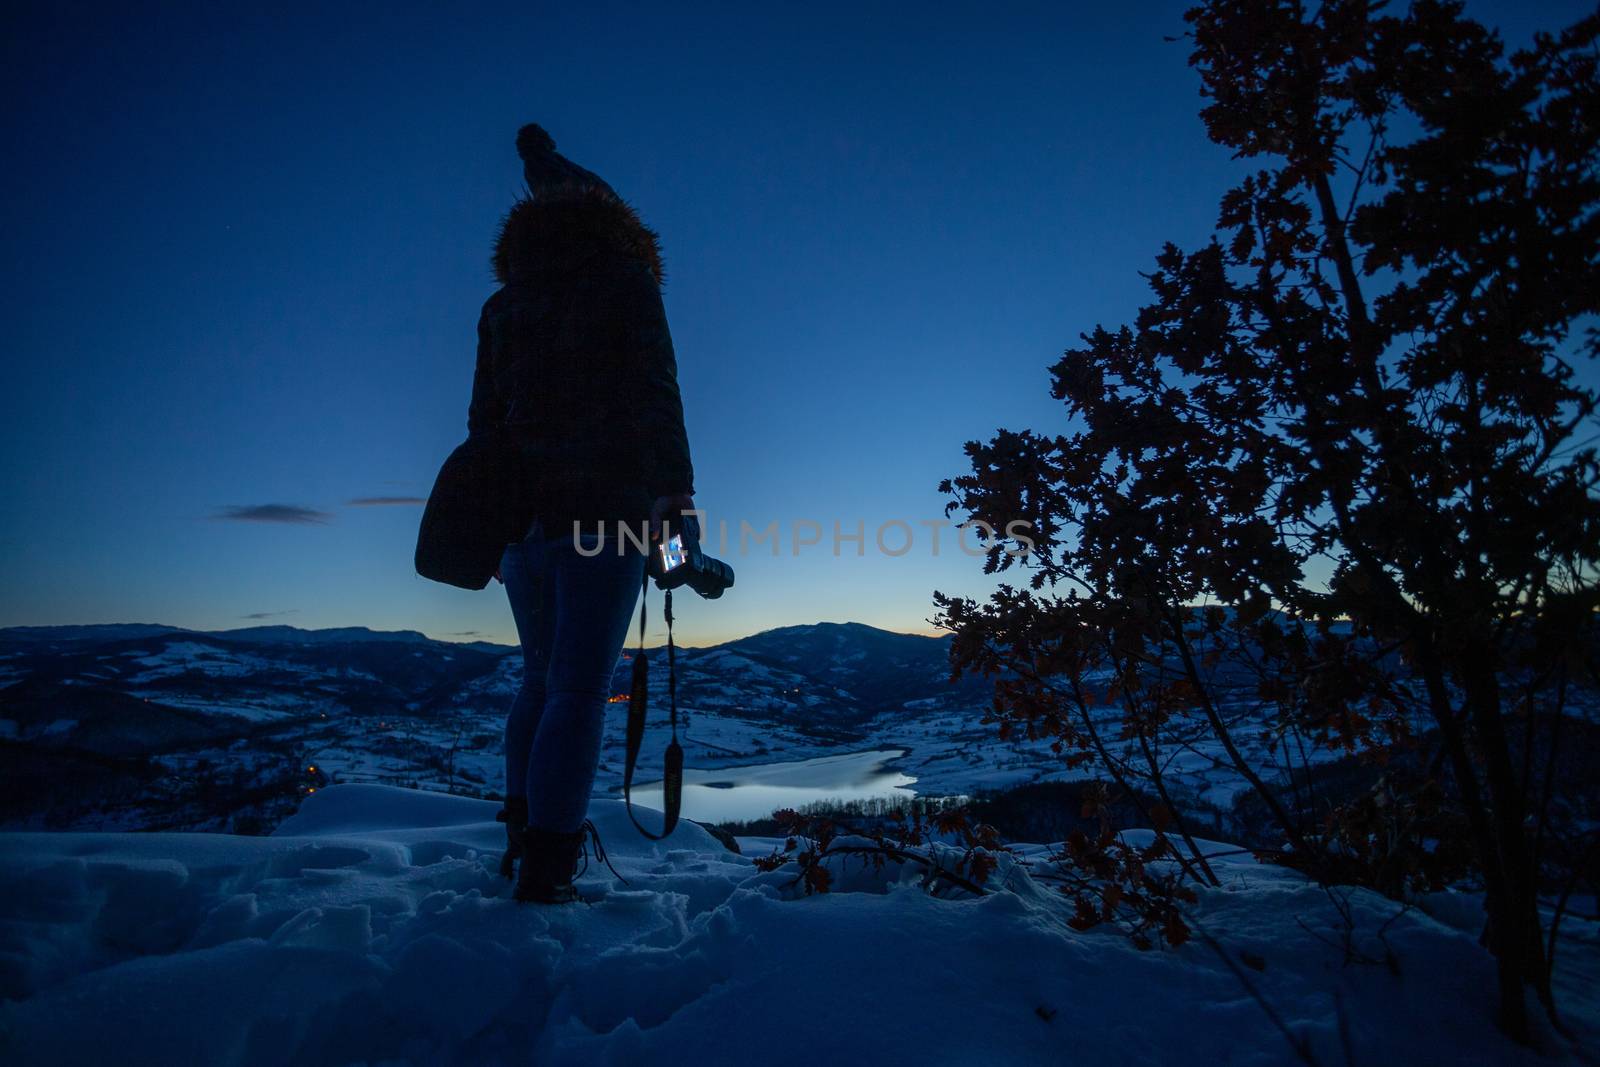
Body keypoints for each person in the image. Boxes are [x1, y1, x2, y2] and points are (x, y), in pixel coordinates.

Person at [470, 123, 696, 904]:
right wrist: (677, 506)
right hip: (607, 515)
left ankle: (523, 843)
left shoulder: (502, 307)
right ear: (612, 218)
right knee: (577, 688)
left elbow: (483, 431)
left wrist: (501, 526)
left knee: (538, 682)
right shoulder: (626, 284)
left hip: (521, 529)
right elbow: (655, 397)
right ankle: (549, 866)